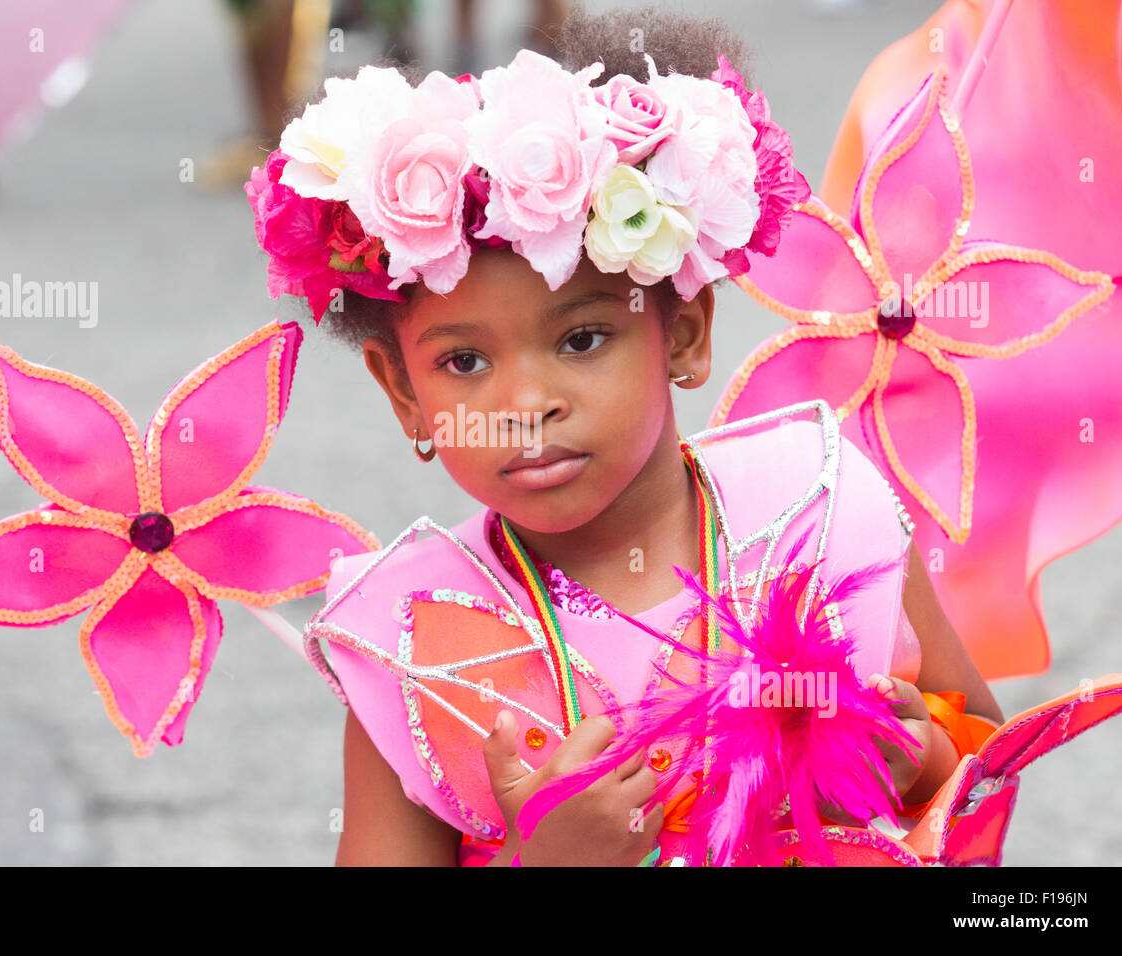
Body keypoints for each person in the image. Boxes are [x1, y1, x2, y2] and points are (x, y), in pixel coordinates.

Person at [244, 5, 1004, 866]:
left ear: (681, 335)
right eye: (463, 362)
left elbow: (991, 759)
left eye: (581, 340)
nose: (524, 403)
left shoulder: (821, 510)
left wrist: (924, 761)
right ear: (404, 395)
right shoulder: (413, 639)